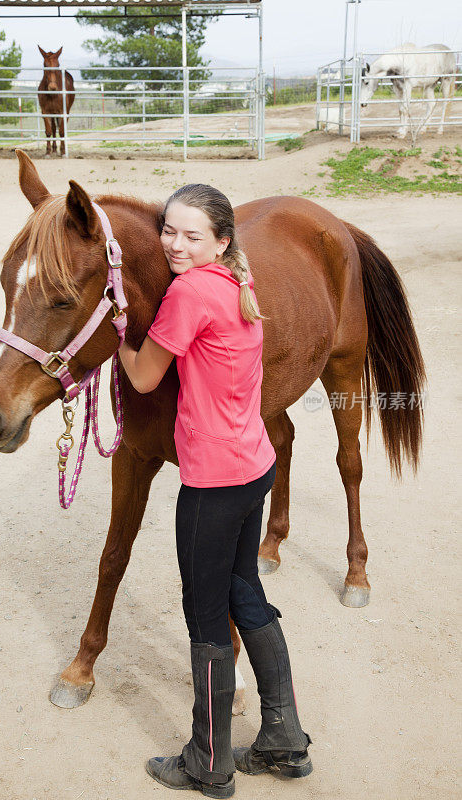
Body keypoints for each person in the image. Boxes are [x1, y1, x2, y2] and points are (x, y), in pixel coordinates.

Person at [117, 184, 312, 799]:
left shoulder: (188, 291)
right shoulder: (234, 281)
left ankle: (208, 761)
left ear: (220, 241)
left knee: (205, 616)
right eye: (168, 231)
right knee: (244, 591)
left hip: (213, 482)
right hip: (255, 464)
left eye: (191, 234)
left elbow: (146, 376)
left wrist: (118, 328)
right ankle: (283, 737)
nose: (175, 244)